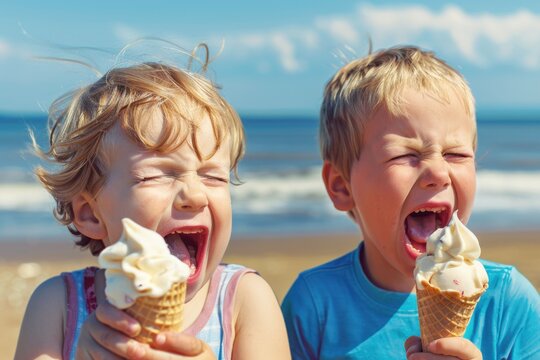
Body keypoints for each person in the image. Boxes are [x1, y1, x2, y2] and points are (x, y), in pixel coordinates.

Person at [15, 47, 291, 359]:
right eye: (155, 176)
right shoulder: (57, 307)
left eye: (214, 177)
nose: (196, 196)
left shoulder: (245, 300)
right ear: (90, 214)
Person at [281, 45, 540, 359]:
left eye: (455, 154)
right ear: (341, 186)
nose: (438, 172)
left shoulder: (508, 303)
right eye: (405, 155)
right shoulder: (313, 306)